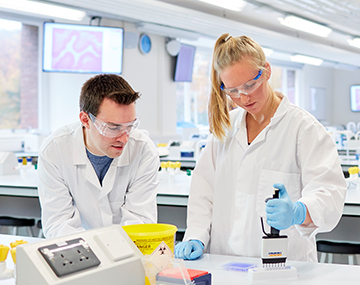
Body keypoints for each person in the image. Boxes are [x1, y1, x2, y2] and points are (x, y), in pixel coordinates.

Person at [175, 33, 346, 262]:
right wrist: (195, 236)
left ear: (266, 71)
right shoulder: (225, 129)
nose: (243, 97)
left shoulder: (303, 129)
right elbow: (203, 192)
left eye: (250, 85)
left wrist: (300, 211)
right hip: (225, 263)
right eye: (232, 90)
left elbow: (330, 192)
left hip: (285, 269)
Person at [38, 74, 160, 238]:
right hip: (79, 253)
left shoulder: (144, 150)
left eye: (129, 126)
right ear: (85, 120)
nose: (124, 138)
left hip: (129, 251)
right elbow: (58, 224)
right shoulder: (54, 150)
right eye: (113, 127)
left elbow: (140, 223)